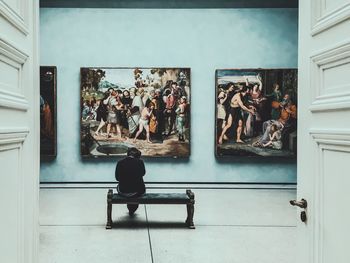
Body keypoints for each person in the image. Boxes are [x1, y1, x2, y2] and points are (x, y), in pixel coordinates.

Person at [115, 147, 146, 215]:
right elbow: (143, 173)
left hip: (123, 191)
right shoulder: (140, 162)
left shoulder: (120, 162)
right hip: (137, 191)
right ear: (138, 156)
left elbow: (117, 178)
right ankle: (132, 209)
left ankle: (131, 209)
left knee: (120, 186)